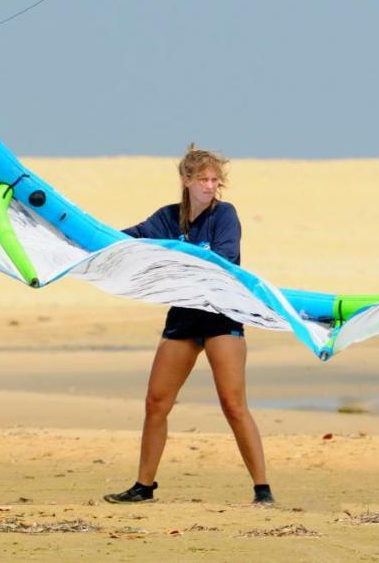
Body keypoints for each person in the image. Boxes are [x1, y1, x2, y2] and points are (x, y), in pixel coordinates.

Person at [103, 145, 273, 506]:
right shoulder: (166, 219)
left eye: (215, 180)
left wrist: (169, 254)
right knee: (156, 402)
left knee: (232, 403)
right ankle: (143, 486)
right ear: (186, 181)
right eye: (203, 180)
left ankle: (262, 489)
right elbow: (125, 241)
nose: (210, 186)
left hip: (221, 315)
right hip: (183, 316)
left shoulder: (225, 215)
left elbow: (222, 260)